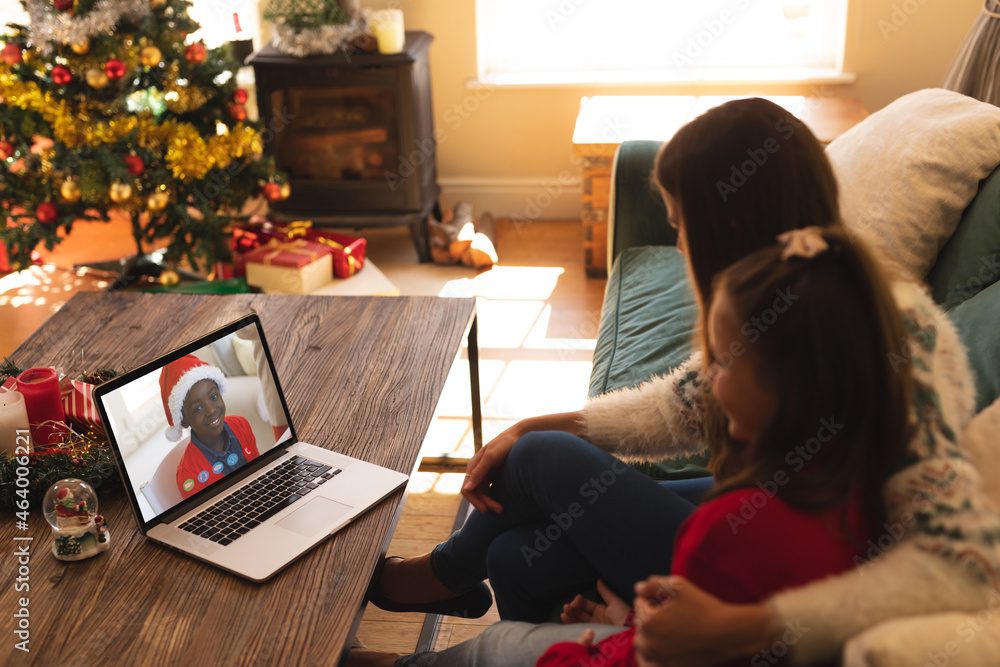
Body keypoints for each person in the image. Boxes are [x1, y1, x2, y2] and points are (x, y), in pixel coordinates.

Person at [363, 97, 999, 665]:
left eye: (677, 222)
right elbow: (683, 407)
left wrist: (744, 626)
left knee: (538, 460)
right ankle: (484, 588)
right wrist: (531, 421)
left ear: (727, 226)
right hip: (767, 511)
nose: (676, 239)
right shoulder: (793, 295)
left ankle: (444, 576)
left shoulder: (895, 337)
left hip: (798, 572)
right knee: (516, 554)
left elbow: (943, 551)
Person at [536, 226, 908, 667]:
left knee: (493, 637)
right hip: (631, 631)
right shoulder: (862, 496)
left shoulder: (724, 529)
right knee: (513, 550)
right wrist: (632, 623)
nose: (708, 381)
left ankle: (449, 575)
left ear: (783, 383)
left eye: (723, 363)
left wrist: (567, 654)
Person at [159, 354, 260, 498]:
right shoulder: (188, 474)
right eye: (197, 409)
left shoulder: (241, 425)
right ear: (184, 420)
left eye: (213, 397)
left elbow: (259, 471)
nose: (211, 410)